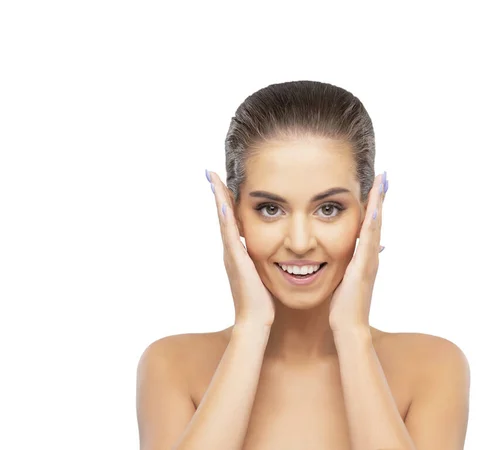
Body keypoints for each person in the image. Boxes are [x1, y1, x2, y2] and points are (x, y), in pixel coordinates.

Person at [136, 80, 471, 450]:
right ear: (234, 216)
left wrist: (352, 332)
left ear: (367, 212)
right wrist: (250, 328)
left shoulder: (433, 367)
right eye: (270, 209)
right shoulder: (172, 366)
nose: (299, 242)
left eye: (328, 209)